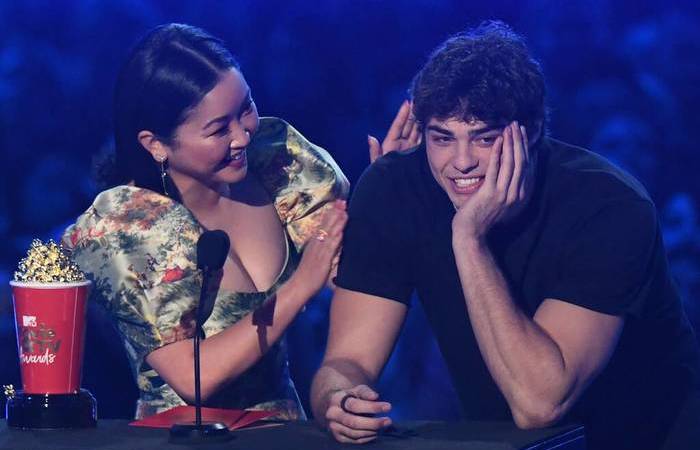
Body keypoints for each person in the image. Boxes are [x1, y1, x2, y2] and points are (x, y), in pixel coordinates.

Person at [311, 21, 700, 449]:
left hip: (649, 436)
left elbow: (539, 403)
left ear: (530, 130)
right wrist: (339, 400)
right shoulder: (395, 187)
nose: (461, 162)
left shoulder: (610, 206)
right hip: (504, 441)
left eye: (484, 139)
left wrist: (468, 238)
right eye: (443, 138)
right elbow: (346, 361)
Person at [61, 23, 352, 420]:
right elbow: (196, 377)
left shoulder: (276, 161)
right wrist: (301, 287)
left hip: (287, 432)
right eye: (219, 129)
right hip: (185, 435)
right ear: (156, 144)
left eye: (245, 109)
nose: (243, 137)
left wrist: (389, 185)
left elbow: (345, 270)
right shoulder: (129, 225)